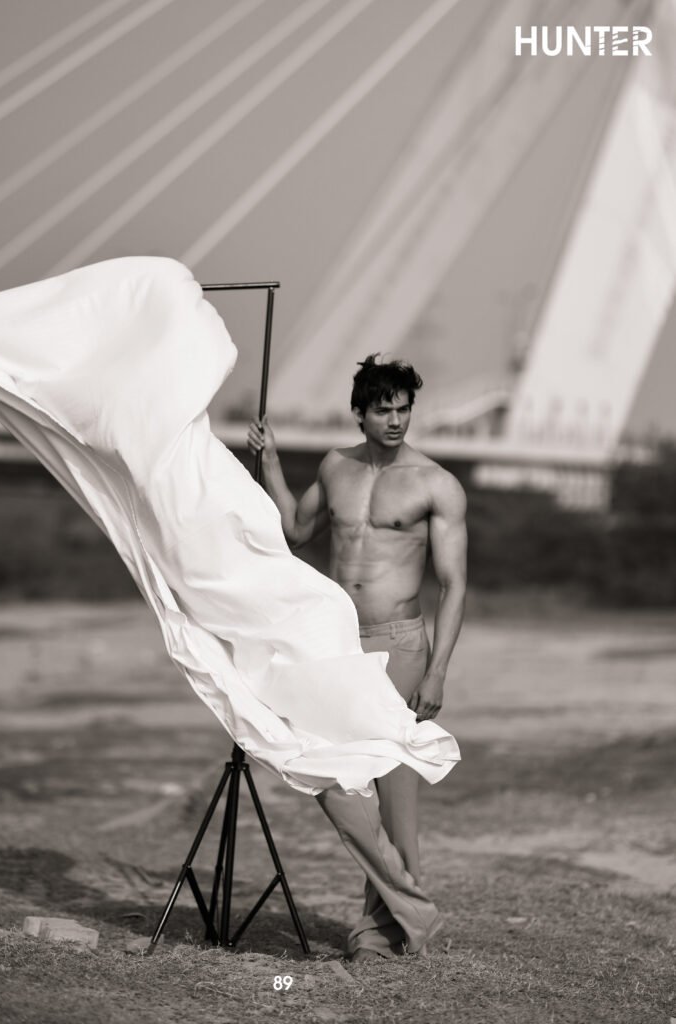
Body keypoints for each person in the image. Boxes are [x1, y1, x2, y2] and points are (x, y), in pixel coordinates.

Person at [247, 353, 467, 962]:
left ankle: (384, 934)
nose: (395, 420)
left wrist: (438, 670)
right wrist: (270, 463)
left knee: (394, 795)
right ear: (360, 413)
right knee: (329, 774)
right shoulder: (335, 467)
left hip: (400, 643)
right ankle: (411, 906)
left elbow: (453, 584)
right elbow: (296, 531)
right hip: (339, 641)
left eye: (404, 409)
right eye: (383, 410)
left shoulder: (436, 484)